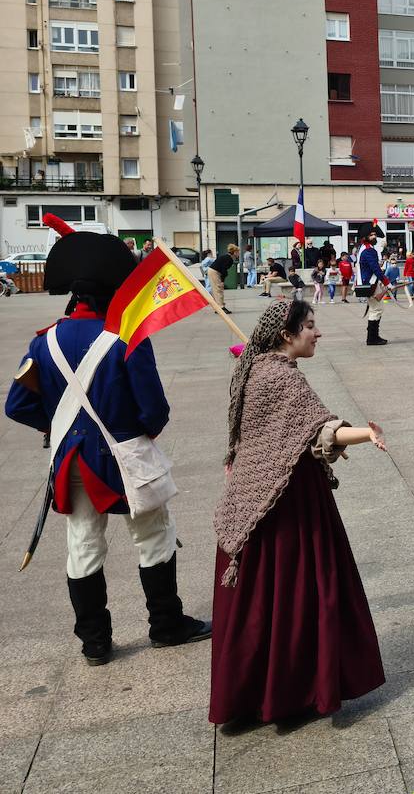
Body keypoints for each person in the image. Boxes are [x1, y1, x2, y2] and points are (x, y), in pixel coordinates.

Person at [5, 216, 210, 666]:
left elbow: (16, 406)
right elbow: (154, 411)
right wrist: (135, 432)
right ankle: (165, 624)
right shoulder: (125, 339)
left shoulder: (43, 343)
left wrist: (53, 426)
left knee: (82, 543)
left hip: (72, 460)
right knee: (154, 536)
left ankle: (95, 643)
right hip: (126, 456)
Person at [210, 300, 387, 724]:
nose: (316, 333)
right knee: (297, 589)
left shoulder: (254, 367)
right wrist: (367, 432)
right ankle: (293, 691)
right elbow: (320, 431)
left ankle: (260, 692)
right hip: (286, 500)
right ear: (286, 335)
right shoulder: (280, 377)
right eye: (309, 326)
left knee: (266, 598)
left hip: (261, 493)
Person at [358, 231, 389, 346]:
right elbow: (375, 268)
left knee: (375, 309)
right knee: (376, 309)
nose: (374, 237)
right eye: (371, 235)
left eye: (375, 235)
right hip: (370, 282)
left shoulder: (365, 248)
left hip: (370, 281)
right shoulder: (369, 250)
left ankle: (373, 336)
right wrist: (386, 281)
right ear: (366, 237)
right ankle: (372, 338)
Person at [208, 244, 239, 313]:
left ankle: (218, 307)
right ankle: (221, 307)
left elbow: (223, 270)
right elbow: (223, 270)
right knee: (218, 289)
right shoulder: (229, 259)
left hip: (213, 271)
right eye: (237, 252)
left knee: (217, 289)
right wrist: (222, 281)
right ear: (234, 252)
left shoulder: (227, 257)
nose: (238, 254)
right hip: (215, 272)